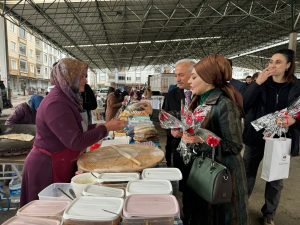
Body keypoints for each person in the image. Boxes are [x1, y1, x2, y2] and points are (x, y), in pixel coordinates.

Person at [20, 58, 126, 206]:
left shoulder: (67, 98)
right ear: (69, 77)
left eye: (85, 75)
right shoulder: (56, 103)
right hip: (46, 167)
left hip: (60, 161)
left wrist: (102, 126)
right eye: (82, 76)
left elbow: (76, 129)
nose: (85, 80)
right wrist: (106, 128)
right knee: (48, 212)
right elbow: (75, 141)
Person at [180, 54, 248, 225]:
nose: (189, 81)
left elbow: (234, 146)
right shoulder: (200, 100)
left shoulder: (224, 104)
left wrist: (200, 139)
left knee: (222, 218)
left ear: (208, 78)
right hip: (205, 169)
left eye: (194, 77)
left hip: (222, 176)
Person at [242, 49, 300, 225]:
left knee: (275, 178)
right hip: (255, 137)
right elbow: (243, 105)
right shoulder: (261, 83)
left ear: (288, 65)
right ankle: (241, 207)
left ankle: (269, 214)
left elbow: (298, 111)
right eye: (271, 61)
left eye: (278, 62)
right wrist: (257, 83)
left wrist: (294, 120)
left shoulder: (296, 87)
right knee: (248, 174)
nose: (272, 65)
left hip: (280, 139)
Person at [162, 59, 195, 189]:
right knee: (181, 186)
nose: (177, 79)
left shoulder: (202, 95)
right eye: (176, 75)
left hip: (198, 154)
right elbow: (165, 118)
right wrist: (171, 130)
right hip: (177, 149)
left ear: (193, 74)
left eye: (181, 75)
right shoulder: (171, 95)